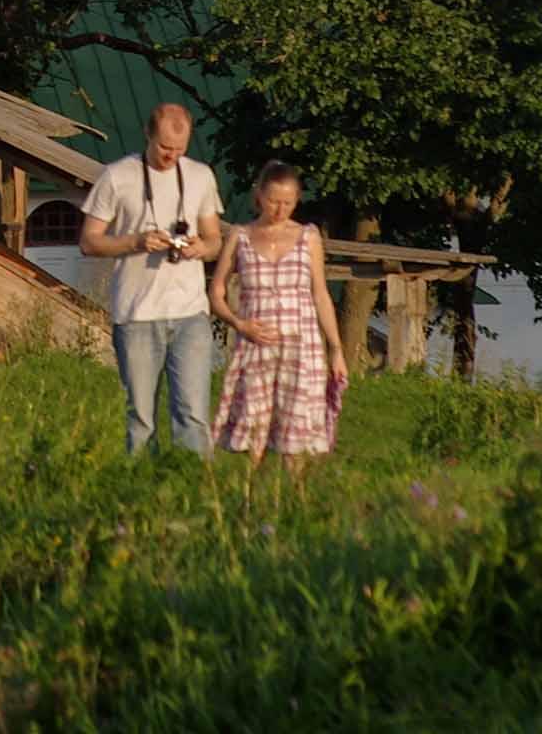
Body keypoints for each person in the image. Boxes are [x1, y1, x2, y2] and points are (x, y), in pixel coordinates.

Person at [77, 102, 225, 456]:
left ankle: (193, 488)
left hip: (190, 313)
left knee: (193, 414)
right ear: (147, 134)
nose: (171, 156)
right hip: (137, 314)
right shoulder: (117, 176)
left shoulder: (201, 176)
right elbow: (89, 241)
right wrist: (135, 242)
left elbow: (216, 240)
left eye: (179, 149)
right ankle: (141, 491)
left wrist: (199, 248)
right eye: (164, 148)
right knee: (141, 417)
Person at [212, 160, 344, 475]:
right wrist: (238, 323)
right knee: (254, 429)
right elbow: (216, 292)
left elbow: (321, 294)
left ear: (297, 200)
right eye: (273, 201)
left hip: (302, 347)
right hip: (256, 345)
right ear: (259, 196)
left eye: (287, 202)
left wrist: (336, 348)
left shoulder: (308, 237)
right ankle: (250, 502)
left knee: (295, 436)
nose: (279, 209)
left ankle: (292, 505)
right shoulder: (240, 236)